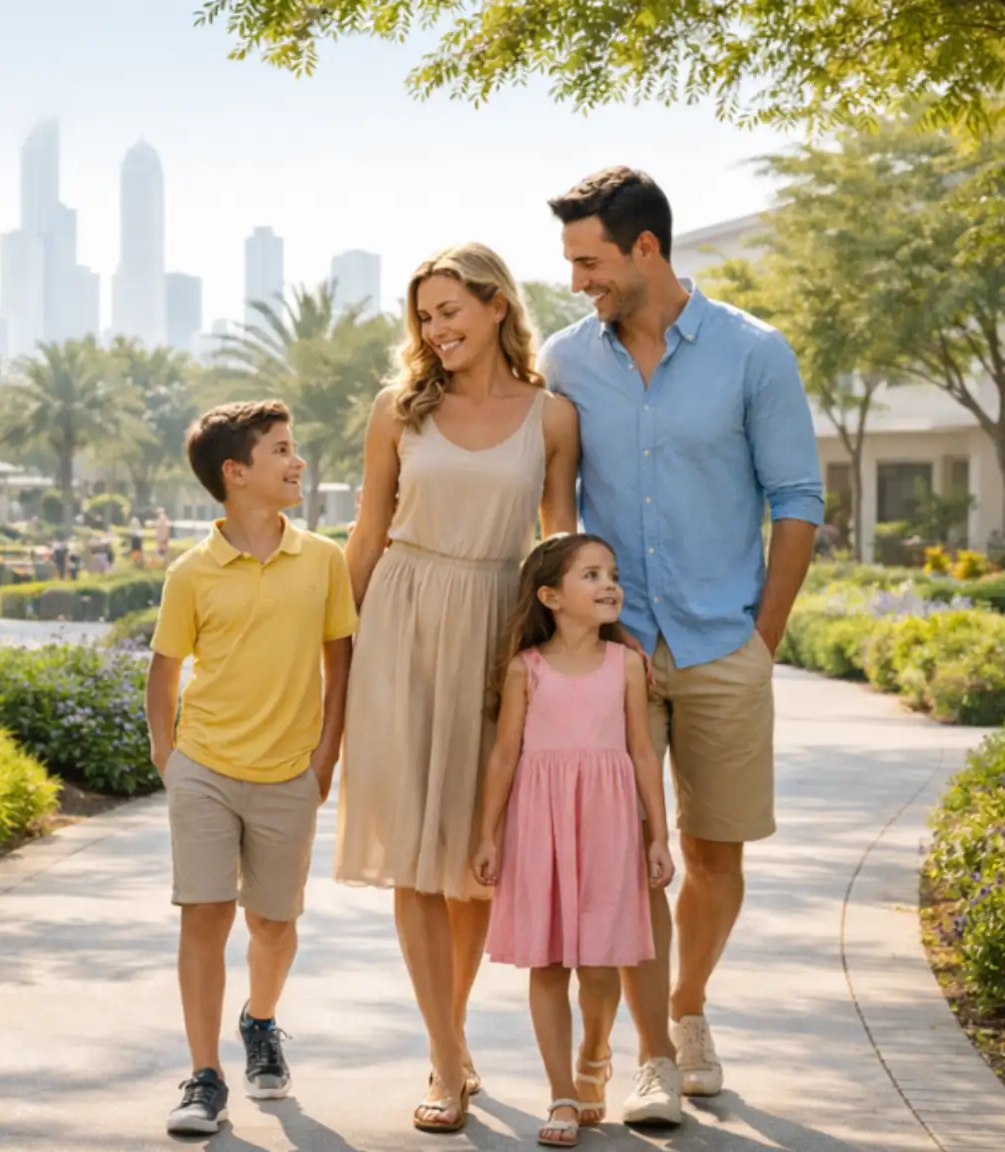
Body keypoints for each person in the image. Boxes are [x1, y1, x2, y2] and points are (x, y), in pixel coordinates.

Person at [538, 167, 823, 1126]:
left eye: (590, 261)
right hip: (617, 650)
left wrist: (763, 638)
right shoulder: (567, 361)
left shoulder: (754, 352)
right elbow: (559, 503)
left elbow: (797, 500)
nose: (578, 280)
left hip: (721, 642)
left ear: (646, 248)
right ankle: (654, 1054)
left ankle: (687, 1004)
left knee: (713, 855)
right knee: (629, 860)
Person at [339, 242, 580, 1134]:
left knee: (473, 867)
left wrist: (569, 659)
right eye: (424, 317)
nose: (436, 330)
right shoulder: (397, 409)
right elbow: (367, 536)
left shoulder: (552, 417)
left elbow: (560, 546)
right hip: (402, 622)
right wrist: (340, 654)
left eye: (450, 311)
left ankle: (455, 1030)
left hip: (495, 629)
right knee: (415, 854)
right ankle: (445, 1057)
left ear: (495, 305)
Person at [145, 400, 357, 1137]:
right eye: (281, 450)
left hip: (288, 771)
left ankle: (259, 1020)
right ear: (235, 473)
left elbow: (340, 662)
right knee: (204, 914)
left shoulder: (323, 560)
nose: (297, 461)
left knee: (273, 923)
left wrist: (327, 754)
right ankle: (204, 1077)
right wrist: (170, 761)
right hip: (204, 766)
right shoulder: (191, 571)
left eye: (294, 448)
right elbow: (164, 673)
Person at [473, 533, 674, 1147]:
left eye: (611, 574)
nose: (609, 585)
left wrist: (658, 835)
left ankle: (595, 1052)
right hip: (541, 828)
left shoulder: (626, 665)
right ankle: (561, 1092)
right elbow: (504, 757)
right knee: (548, 962)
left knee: (600, 965)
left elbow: (643, 752)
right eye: (591, 575)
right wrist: (488, 835)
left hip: (609, 826)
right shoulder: (524, 669)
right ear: (551, 597)